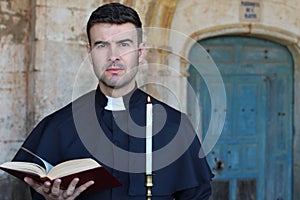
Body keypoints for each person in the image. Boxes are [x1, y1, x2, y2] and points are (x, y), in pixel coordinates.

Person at [12, 2, 214, 200]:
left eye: (124, 44)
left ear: (140, 53)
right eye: (102, 45)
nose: (113, 56)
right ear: (89, 53)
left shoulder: (175, 126)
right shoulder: (58, 126)